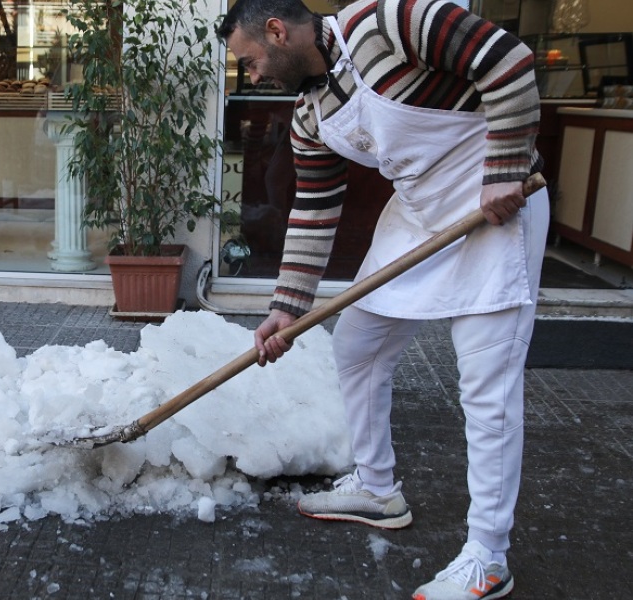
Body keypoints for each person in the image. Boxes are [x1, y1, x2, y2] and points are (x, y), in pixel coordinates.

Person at [216, 1, 547, 599]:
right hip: (419, 210)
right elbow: (314, 213)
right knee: (359, 346)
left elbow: (508, 60)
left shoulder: (389, 23)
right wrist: (287, 309)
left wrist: (503, 166)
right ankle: (377, 489)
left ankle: (488, 558)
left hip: (497, 205)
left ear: (277, 30)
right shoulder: (310, 114)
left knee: (486, 387)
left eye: (253, 60)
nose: (253, 75)